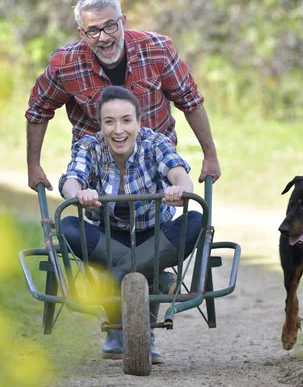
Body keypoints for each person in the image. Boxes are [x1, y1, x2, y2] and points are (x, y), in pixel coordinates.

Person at [59, 86, 203, 364]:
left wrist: (179, 190)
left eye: (126, 120)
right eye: (109, 121)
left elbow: (178, 173)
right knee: (68, 226)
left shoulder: (155, 143)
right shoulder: (90, 146)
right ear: (100, 125)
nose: (118, 130)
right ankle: (158, 282)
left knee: (195, 220)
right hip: (107, 238)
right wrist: (79, 194)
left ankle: (131, 325)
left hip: (153, 236)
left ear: (139, 122)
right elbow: (72, 178)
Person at [26, 0, 220, 191]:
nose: (103, 37)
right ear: (81, 34)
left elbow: (190, 101)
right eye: (93, 31)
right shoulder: (66, 65)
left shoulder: (157, 51)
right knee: (93, 219)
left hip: (154, 166)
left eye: (110, 26)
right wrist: (33, 166)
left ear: (123, 22)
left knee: (172, 218)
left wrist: (210, 156)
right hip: (97, 171)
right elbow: (38, 110)